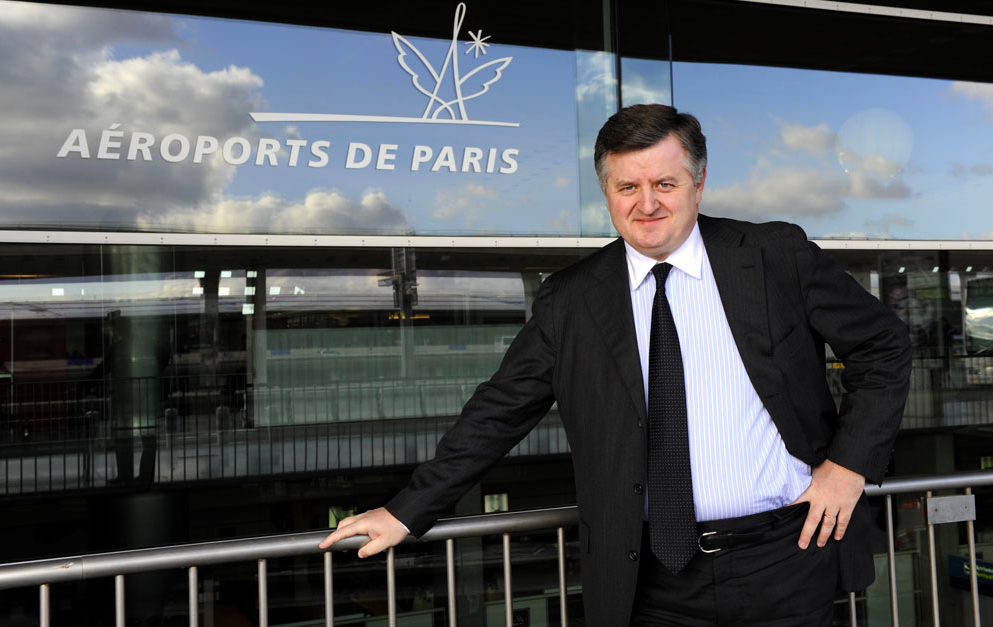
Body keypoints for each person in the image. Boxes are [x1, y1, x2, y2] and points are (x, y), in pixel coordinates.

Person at [320, 104, 911, 626]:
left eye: (665, 183)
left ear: (699, 184)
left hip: (786, 559)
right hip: (648, 581)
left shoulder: (775, 256)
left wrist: (847, 468)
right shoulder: (571, 299)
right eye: (627, 186)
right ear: (606, 193)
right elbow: (499, 411)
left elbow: (883, 346)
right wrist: (406, 511)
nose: (646, 204)